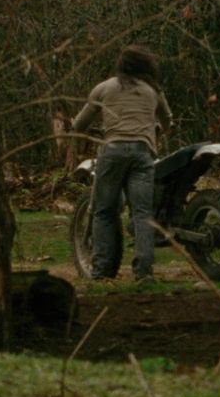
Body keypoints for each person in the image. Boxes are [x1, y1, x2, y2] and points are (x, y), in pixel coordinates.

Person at [71, 45, 172, 283]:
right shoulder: (153, 91)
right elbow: (168, 121)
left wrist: (82, 133)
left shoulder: (104, 88)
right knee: (142, 213)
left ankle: (102, 271)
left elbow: (79, 124)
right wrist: (156, 130)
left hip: (112, 152)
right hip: (142, 154)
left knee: (104, 211)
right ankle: (144, 272)